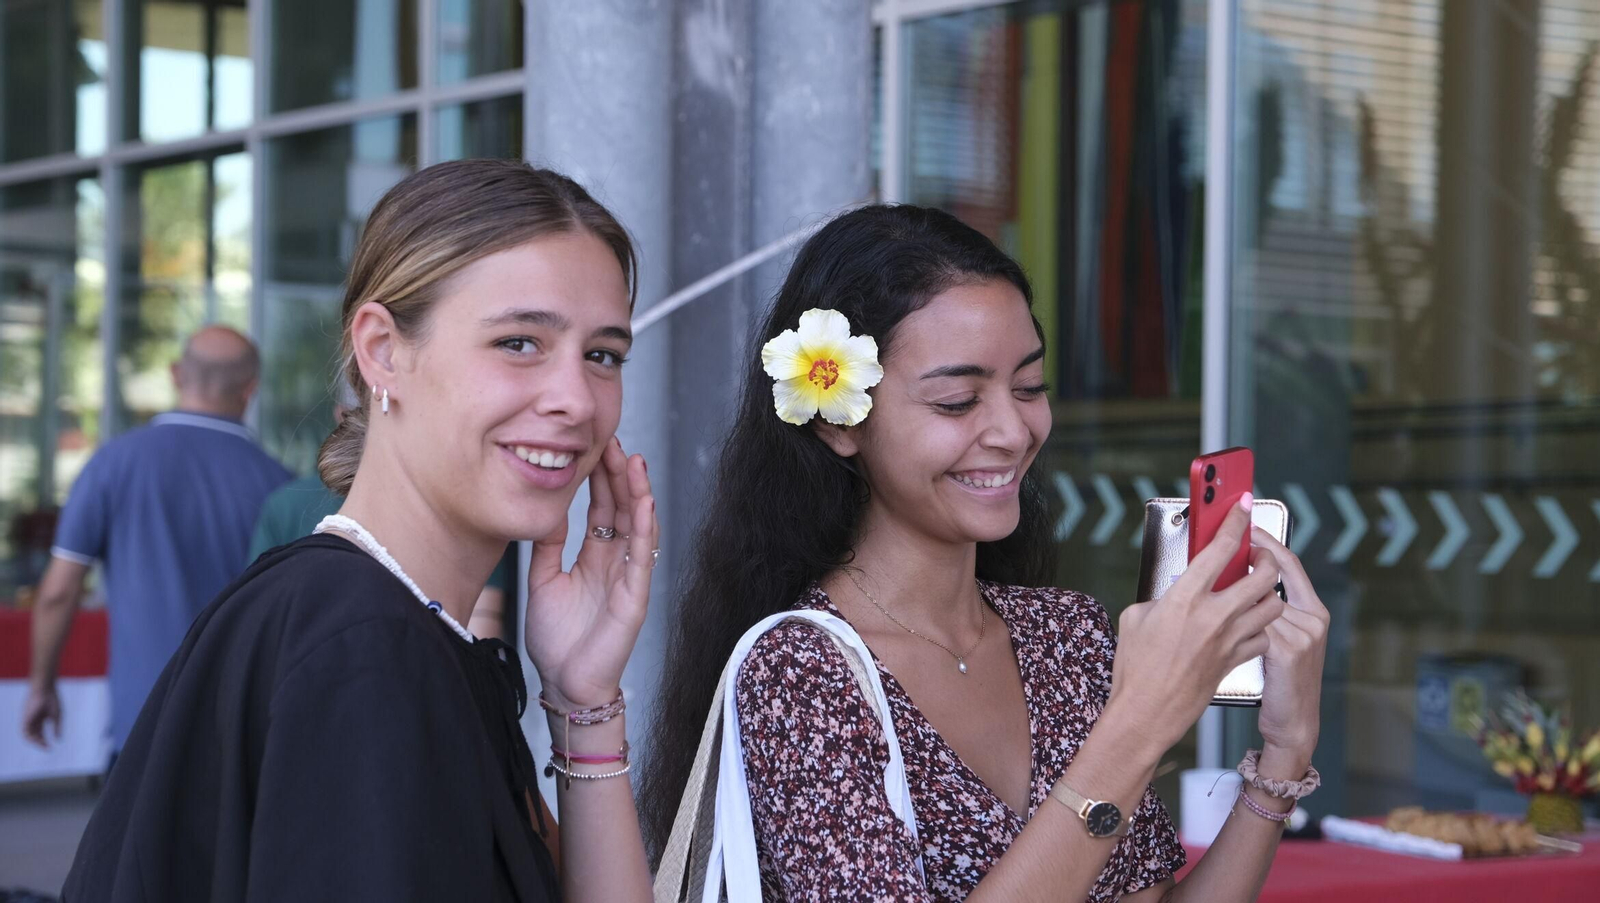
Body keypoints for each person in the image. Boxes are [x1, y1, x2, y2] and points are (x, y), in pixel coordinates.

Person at [642, 205, 1329, 901]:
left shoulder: (1068, 635)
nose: (1012, 429)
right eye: (957, 400)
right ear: (838, 420)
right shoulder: (801, 674)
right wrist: (1140, 721)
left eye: (1029, 387)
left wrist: (1284, 753)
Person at [62, 160, 661, 902]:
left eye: (603, 355)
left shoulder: (402, 630)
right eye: (518, 342)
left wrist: (582, 697)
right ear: (382, 349)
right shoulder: (365, 643)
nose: (576, 398)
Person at [23, 326, 292, 760]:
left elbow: (58, 591)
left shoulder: (114, 463)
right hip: (241, 732)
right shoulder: (280, 485)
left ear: (175, 374)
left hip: (142, 728)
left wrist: (41, 686)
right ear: (251, 389)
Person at [246, 387, 518, 639]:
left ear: (341, 415)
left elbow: (261, 617)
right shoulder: (461, 503)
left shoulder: (285, 502)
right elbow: (481, 624)